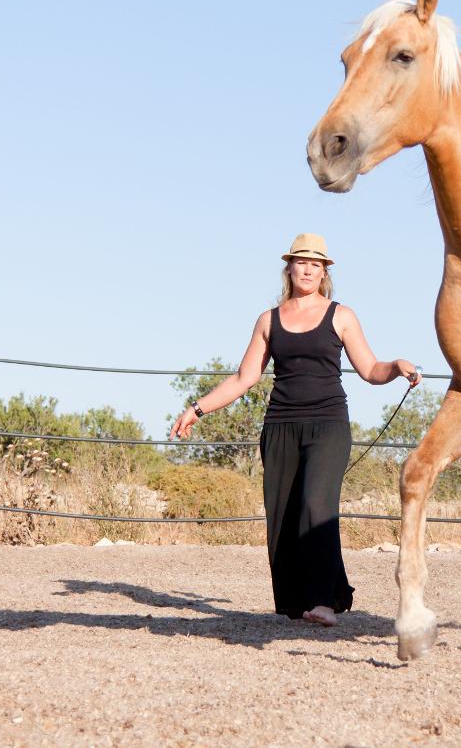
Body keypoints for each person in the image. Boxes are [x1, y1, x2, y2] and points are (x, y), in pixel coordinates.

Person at [170, 233, 420, 627]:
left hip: (328, 425)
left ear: (324, 272)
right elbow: (243, 378)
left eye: (316, 264)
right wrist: (197, 409)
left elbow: (371, 369)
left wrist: (397, 367)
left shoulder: (341, 316)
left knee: (315, 507)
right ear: (289, 267)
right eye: (301, 261)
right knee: (284, 513)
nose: (308, 268)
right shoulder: (268, 320)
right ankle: (299, 600)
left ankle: (324, 600)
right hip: (281, 426)